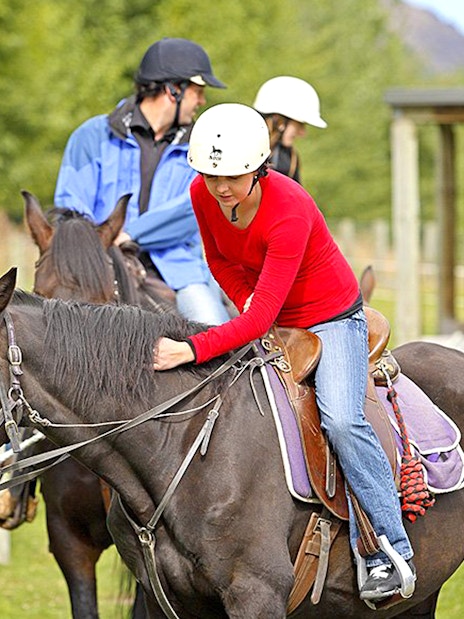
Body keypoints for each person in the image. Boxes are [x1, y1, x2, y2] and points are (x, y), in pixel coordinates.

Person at [153, 103, 416, 603]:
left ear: (257, 168)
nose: (220, 187)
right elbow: (219, 260)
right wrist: (245, 295)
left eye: (231, 176)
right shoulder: (200, 193)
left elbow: (255, 322)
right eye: (211, 175)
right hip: (271, 312)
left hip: (330, 317)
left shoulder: (288, 208)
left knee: (340, 419)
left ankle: (390, 549)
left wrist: (190, 349)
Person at [54, 37, 230, 325]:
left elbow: (195, 206)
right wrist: (102, 241)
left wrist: (131, 234)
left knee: (217, 333)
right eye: (197, 91)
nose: (201, 101)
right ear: (173, 89)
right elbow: (70, 208)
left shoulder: (203, 146)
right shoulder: (91, 136)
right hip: (98, 266)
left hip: (178, 272)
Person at [252, 75, 327, 183]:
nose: (302, 133)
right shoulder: (233, 147)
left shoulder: (288, 160)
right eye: (300, 124)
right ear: (279, 121)